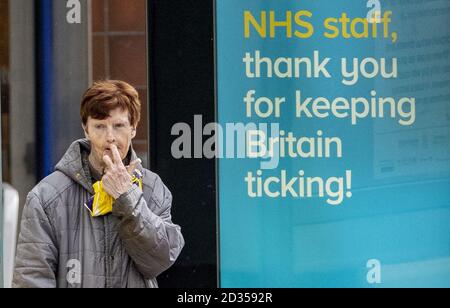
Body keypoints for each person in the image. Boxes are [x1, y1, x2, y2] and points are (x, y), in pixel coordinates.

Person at [13, 80, 184, 288]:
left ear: (133, 128)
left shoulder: (152, 187)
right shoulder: (46, 196)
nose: (110, 137)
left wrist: (127, 196)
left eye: (119, 126)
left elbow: (160, 260)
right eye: (100, 126)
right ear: (86, 129)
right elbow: (32, 279)